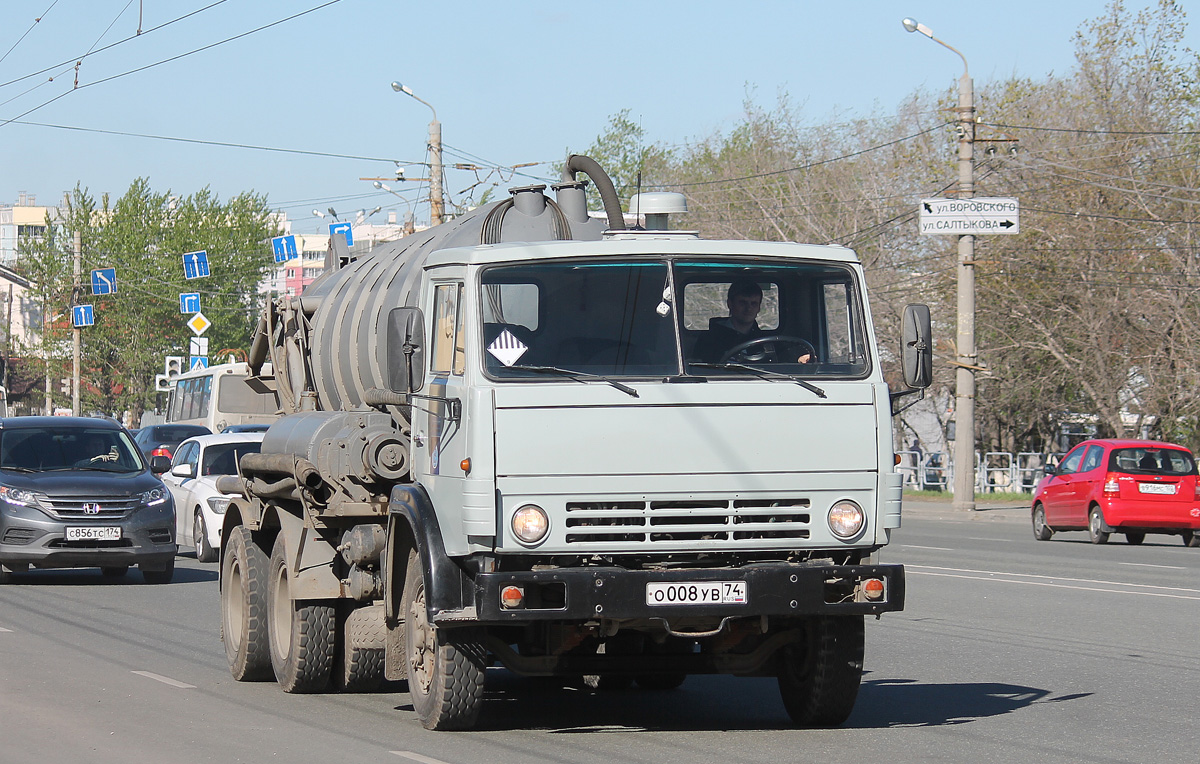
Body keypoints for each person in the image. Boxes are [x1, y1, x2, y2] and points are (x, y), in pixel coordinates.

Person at [691, 279, 812, 364]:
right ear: (730, 304)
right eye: (742, 302)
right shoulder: (709, 339)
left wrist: (800, 359)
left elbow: (786, 361)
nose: (748, 308)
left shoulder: (770, 341)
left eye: (753, 303)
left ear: (759, 307)